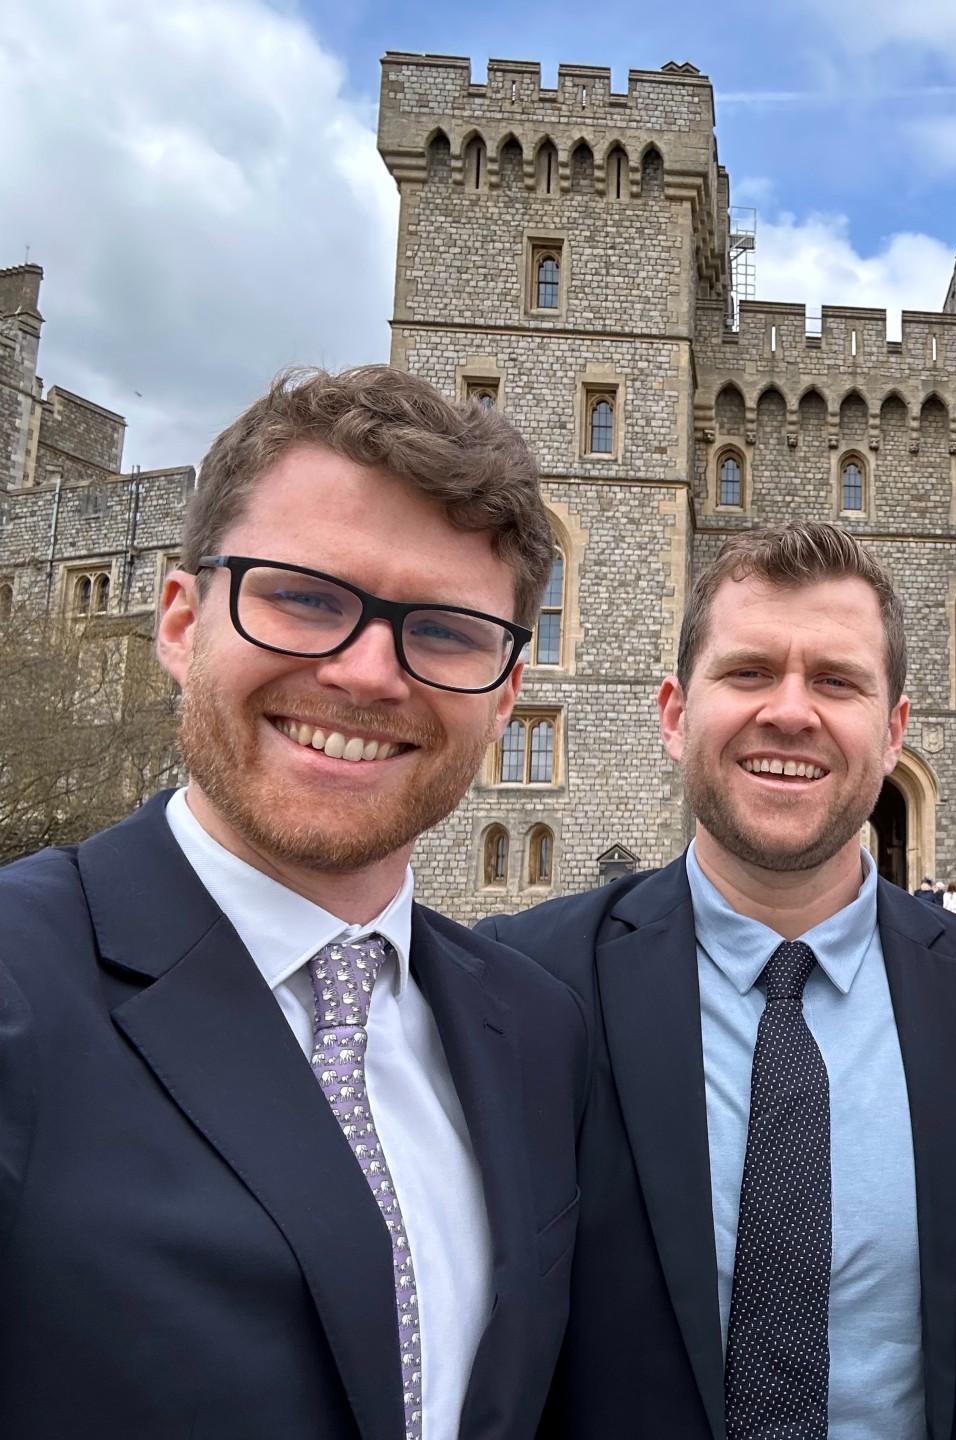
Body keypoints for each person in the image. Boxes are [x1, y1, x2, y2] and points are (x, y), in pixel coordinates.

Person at [0, 366, 588, 1439]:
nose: (369, 675)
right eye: (306, 597)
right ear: (181, 622)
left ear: (506, 694)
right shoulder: (19, 989)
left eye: (448, 632)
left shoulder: (535, 1028)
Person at [479, 521, 956, 1440]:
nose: (791, 712)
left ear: (896, 726)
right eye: (748, 672)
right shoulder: (524, 982)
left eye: (837, 681)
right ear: (674, 713)